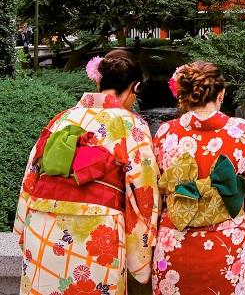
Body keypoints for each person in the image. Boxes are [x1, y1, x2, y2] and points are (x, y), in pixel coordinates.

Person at [14, 52, 160, 295]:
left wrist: (23, 225)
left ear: (98, 82)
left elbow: (32, 176)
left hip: (43, 224)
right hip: (95, 227)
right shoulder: (132, 125)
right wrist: (142, 249)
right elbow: (144, 191)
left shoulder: (61, 119)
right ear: (134, 87)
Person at [152, 61, 245, 295]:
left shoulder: (166, 132)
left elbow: (155, 190)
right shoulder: (240, 130)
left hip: (174, 244)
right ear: (221, 94)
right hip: (225, 245)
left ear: (186, 95)